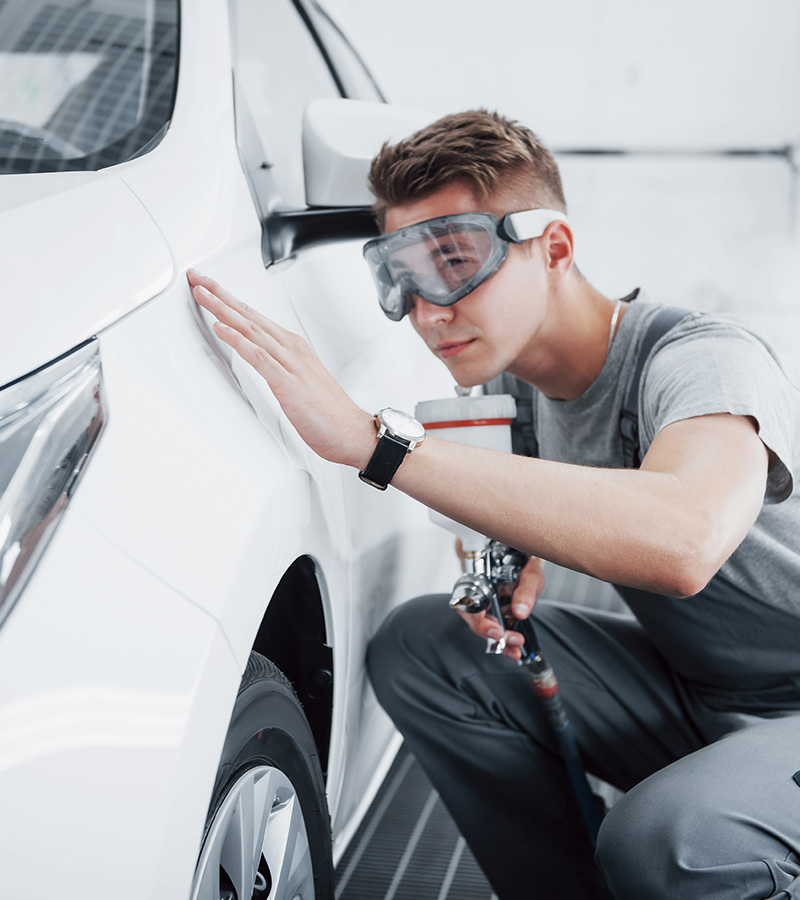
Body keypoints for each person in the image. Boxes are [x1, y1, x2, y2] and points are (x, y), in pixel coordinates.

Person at [187, 110, 800, 900]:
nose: (428, 308)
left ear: (555, 249)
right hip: (706, 690)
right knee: (424, 647)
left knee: (675, 841)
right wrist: (505, 559)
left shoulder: (701, 356)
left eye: (453, 261)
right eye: (400, 278)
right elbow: (534, 510)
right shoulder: (517, 391)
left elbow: (686, 539)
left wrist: (375, 443)